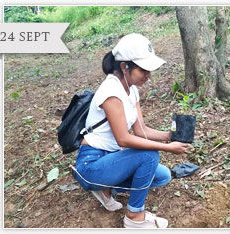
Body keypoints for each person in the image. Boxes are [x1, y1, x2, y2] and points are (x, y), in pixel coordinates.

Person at [74, 33, 193, 228]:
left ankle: (106, 189)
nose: (148, 75)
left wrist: (169, 137)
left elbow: (141, 130)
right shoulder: (111, 91)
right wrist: (168, 148)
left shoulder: (132, 89)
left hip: (111, 157)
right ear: (124, 66)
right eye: (143, 70)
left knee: (162, 176)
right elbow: (124, 139)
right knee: (149, 156)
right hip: (92, 162)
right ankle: (134, 217)